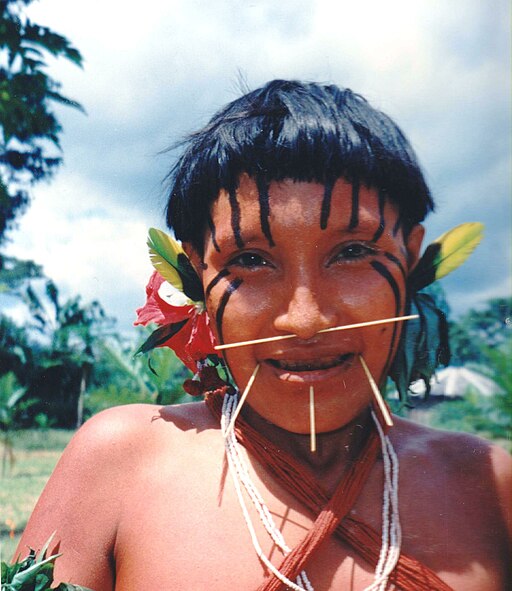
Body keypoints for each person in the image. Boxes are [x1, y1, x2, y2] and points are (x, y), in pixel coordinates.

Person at [15, 80, 511, 590]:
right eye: (249, 260)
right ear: (195, 277)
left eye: (353, 252)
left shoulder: (486, 484)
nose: (305, 319)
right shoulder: (119, 464)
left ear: (411, 258)